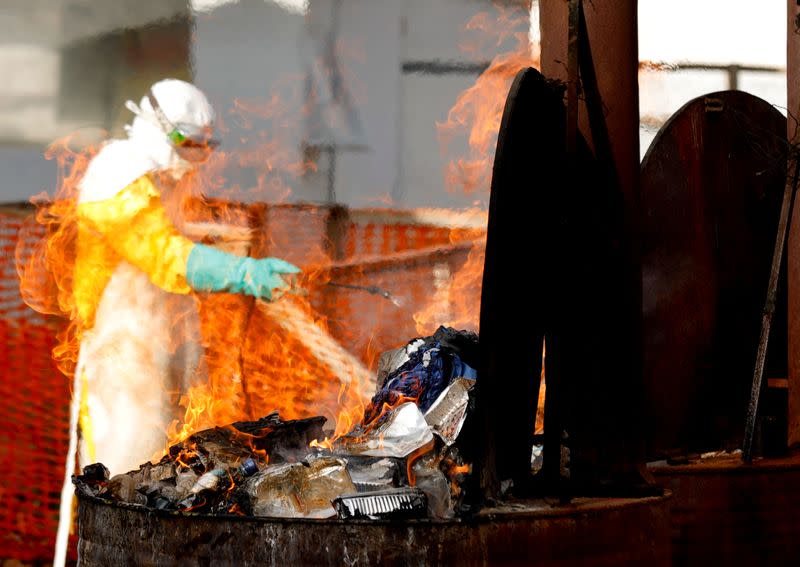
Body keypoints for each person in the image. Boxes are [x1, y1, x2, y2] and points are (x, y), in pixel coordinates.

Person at [54, 78, 299, 566]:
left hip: (159, 353)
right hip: (124, 358)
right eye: (190, 144)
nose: (197, 157)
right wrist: (242, 272)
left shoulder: (156, 179)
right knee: (125, 485)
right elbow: (162, 255)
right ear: (162, 131)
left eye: (207, 147)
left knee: (174, 482)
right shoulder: (117, 173)